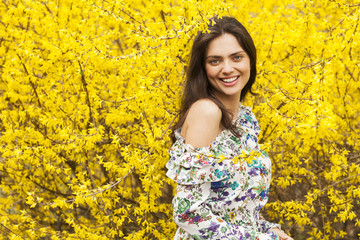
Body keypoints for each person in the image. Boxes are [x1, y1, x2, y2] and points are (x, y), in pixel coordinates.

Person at [165, 16, 294, 240]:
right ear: (203, 68)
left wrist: (267, 229)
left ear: (250, 61)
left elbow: (235, 209)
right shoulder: (207, 112)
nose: (227, 68)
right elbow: (188, 213)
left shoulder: (244, 118)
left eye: (236, 57)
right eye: (215, 61)